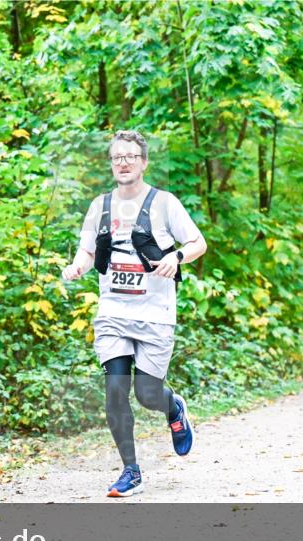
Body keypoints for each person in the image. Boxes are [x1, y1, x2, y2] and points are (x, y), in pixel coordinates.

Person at [61, 130, 207, 498]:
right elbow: (87, 251)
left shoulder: (164, 203)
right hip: (112, 312)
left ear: (143, 162)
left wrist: (175, 257)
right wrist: (77, 267)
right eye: (116, 157)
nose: (122, 162)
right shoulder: (100, 205)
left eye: (129, 156)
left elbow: (197, 243)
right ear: (111, 163)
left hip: (155, 314)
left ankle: (173, 408)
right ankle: (131, 471)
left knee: (146, 393)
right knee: (115, 391)